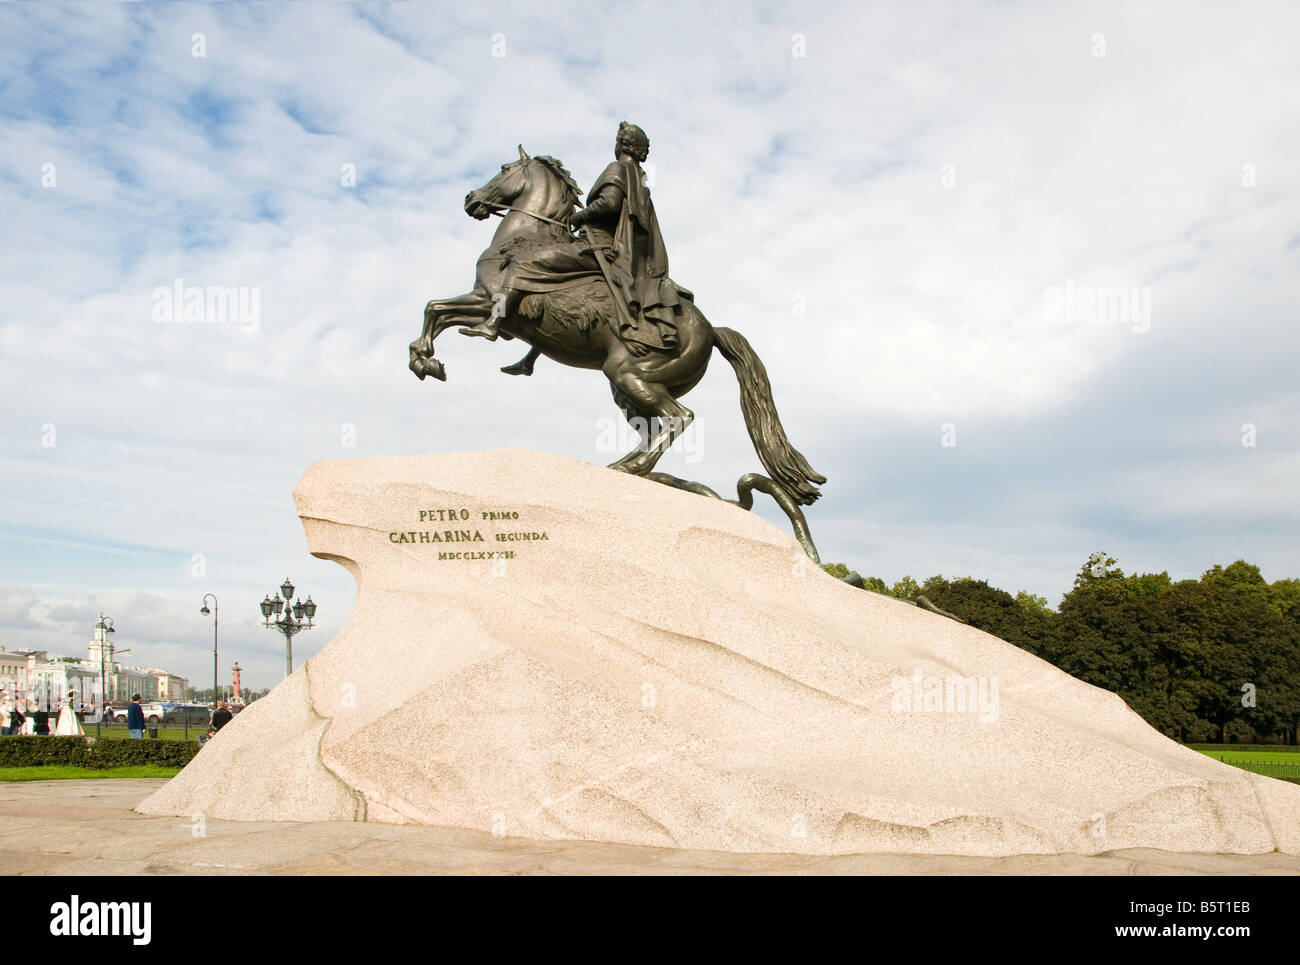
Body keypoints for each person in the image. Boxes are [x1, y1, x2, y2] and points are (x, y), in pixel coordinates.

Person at [460, 122, 690, 359]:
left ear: (621, 144)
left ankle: (494, 319)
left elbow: (609, 204)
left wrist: (578, 216)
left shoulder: (618, 169)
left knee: (524, 265)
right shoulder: (640, 179)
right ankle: (530, 358)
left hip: (598, 246)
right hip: (620, 250)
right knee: (552, 287)